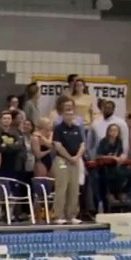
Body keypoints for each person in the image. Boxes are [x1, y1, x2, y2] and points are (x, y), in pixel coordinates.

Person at [51, 95, 85, 223]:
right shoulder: (59, 129)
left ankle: (71, 215)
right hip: (62, 160)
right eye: (67, 113)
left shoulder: (77, 129)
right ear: (63, 115)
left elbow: (82, 144)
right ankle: (58, 215)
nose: (69, 116)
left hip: (75, 160)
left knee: (74, 188)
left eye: (71, 113)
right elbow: (58, 145)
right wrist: (69, 157)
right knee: (62, 187)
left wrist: (76, 157)